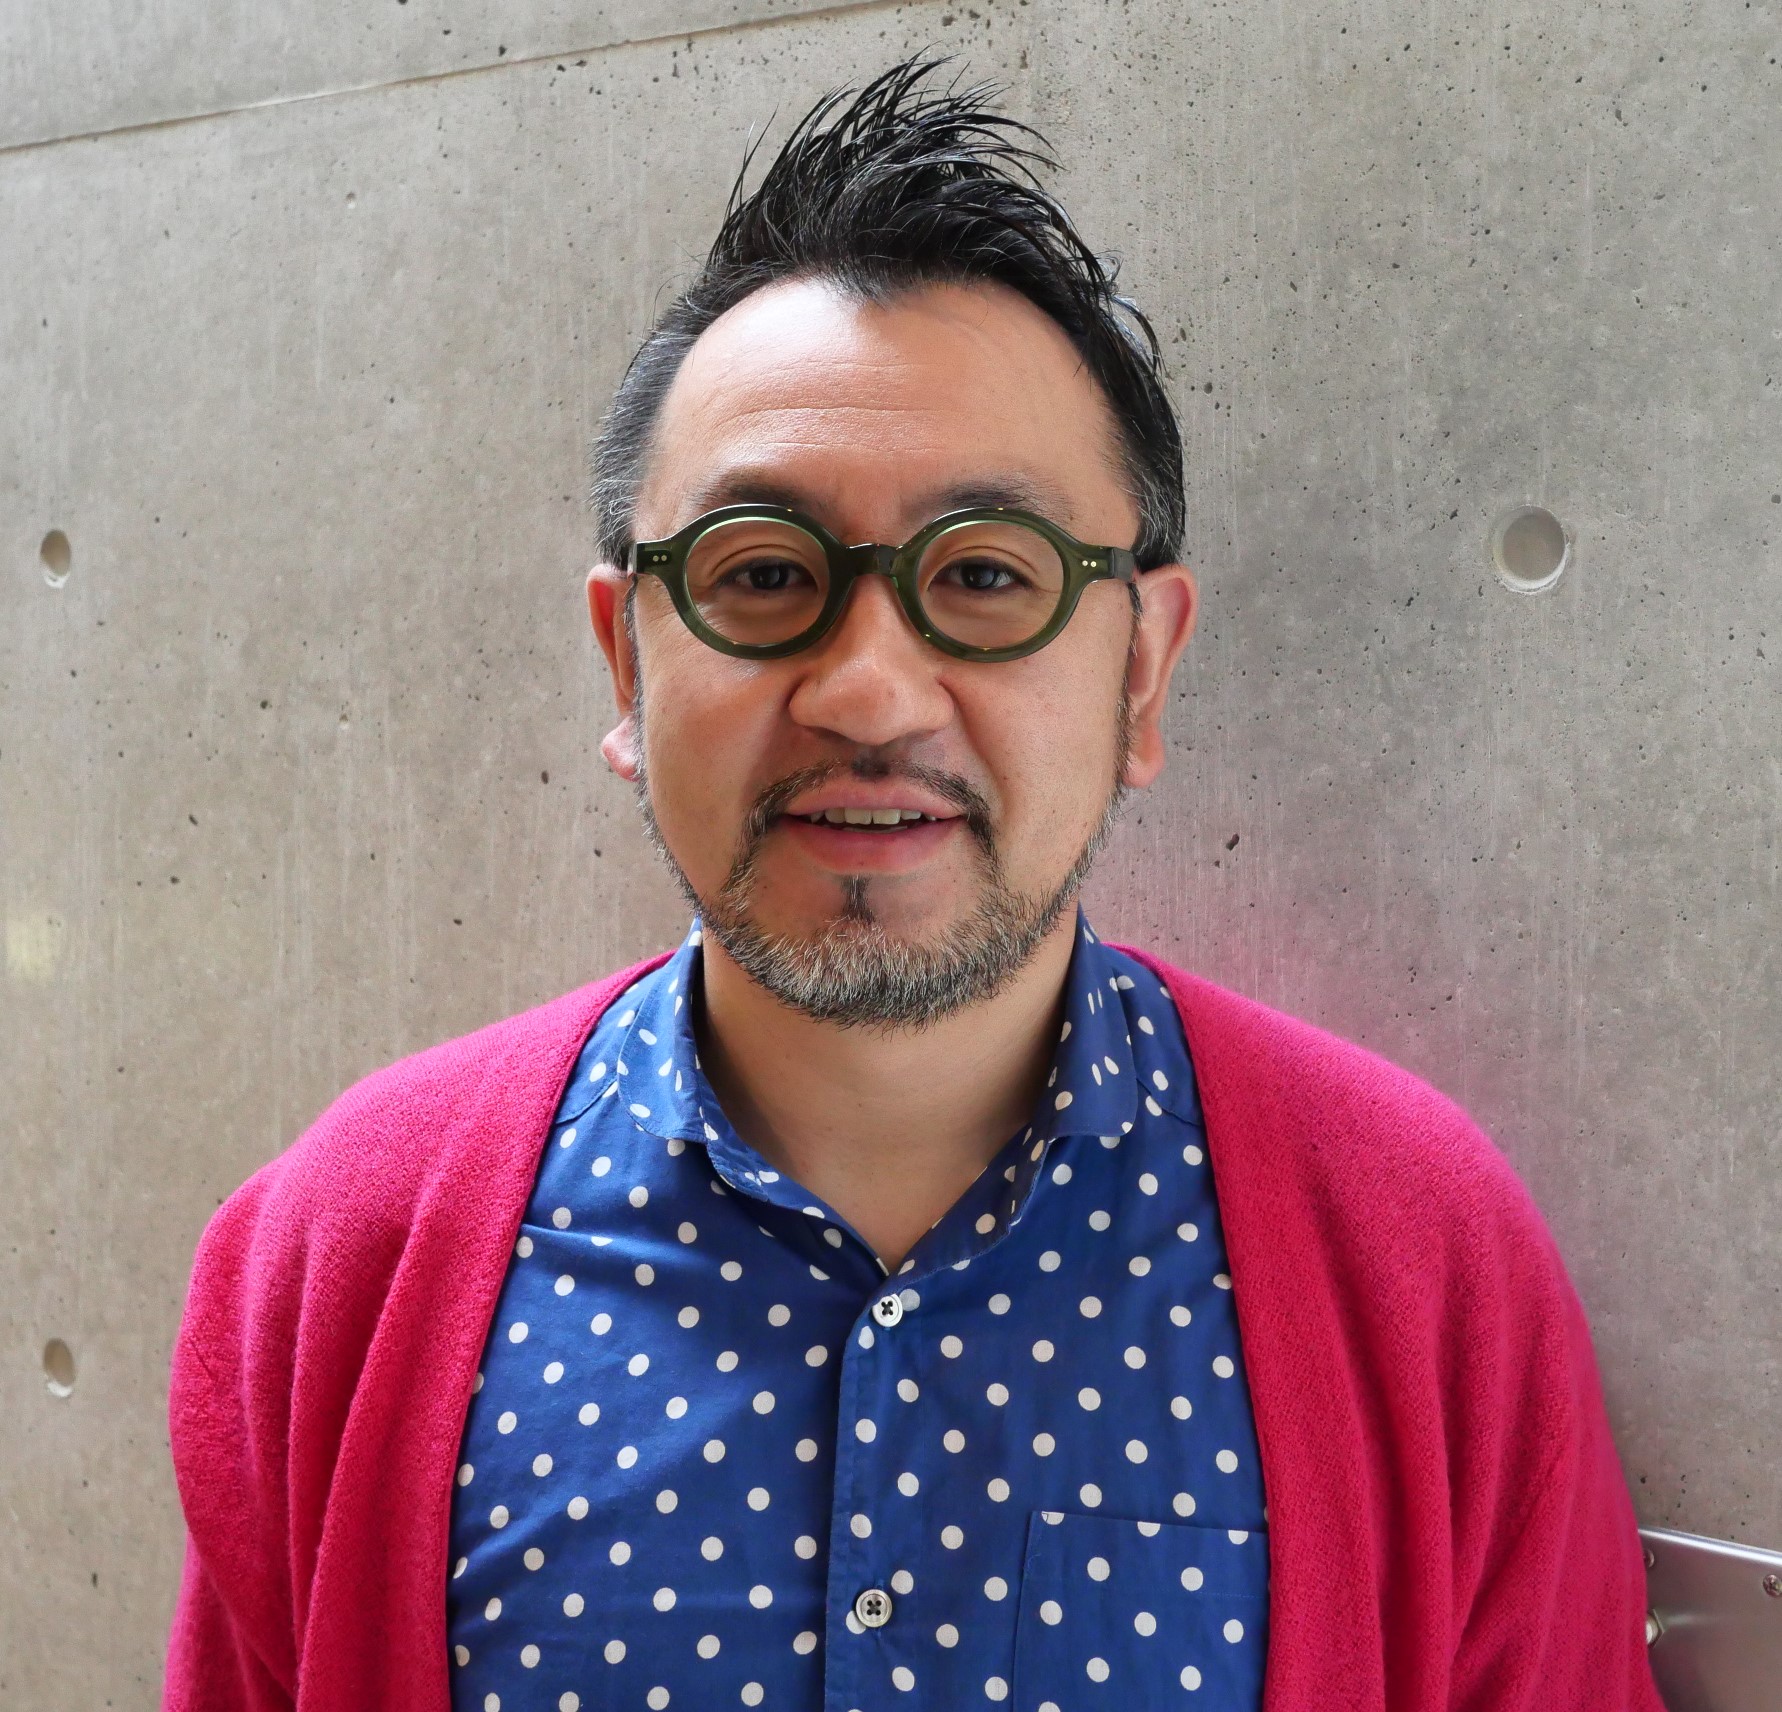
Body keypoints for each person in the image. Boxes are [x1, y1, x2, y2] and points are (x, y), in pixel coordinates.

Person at [162, 58, 1663, 1712]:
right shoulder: (341, 1261)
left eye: (986, 575)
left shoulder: (1418, 1259)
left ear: (1141, 671)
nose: (869, 690)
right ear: (626, 661)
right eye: (759, 573)